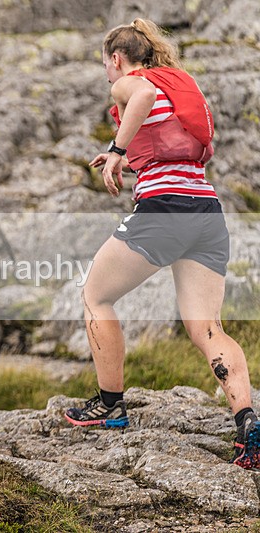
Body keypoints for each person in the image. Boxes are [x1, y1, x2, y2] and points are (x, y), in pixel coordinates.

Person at [63, 18, 260, 471]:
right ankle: (247, 424)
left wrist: (116, 149)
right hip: (206, 212)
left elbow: (141, 96)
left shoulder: (133, 82)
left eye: (107, 67)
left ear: (116, 59)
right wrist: (129, 160)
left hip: (165, 211)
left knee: (96, 294)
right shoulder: (180, 84)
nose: (109, 77)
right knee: (207, 327)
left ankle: (111, 405)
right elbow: (170, 150)